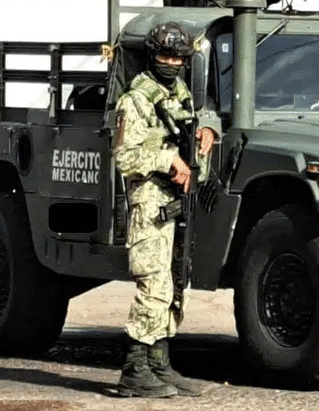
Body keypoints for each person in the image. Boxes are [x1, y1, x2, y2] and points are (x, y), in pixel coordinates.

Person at [112, 21, 217, 398]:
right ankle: (134, 369)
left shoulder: (180, 92)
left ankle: (159, 362)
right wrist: (167, 160)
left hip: (177, 202)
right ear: (152, 56)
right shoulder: (136, 99)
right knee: (153, 283)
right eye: (165, 56)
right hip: (150, 202)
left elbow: (195, 122)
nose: (171, 62)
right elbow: (124, 155)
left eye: (178, 57)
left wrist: (207, 131)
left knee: (175, 282)